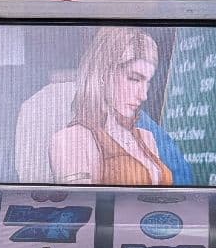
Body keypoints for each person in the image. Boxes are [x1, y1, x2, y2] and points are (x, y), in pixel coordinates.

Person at [49, 27, 191, 186]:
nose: (143, 95)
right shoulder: (71, 139)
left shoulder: (147, 137)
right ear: (103, 74)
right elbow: (80, 199)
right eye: (134, 79)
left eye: (147, 82)